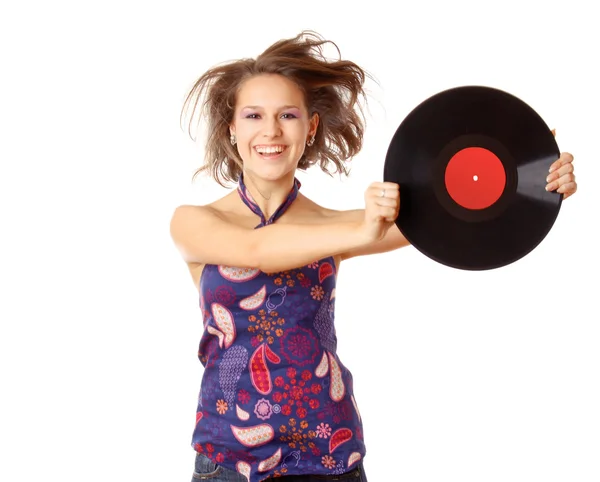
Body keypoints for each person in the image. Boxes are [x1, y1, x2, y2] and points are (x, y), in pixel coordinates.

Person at [169, 31, 577, 482]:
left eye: (288, 115)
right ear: (232, 129)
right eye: (253, 116)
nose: (271, 131)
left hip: (330, 455)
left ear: (311, 127)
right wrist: (361, 228)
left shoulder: (339, 227)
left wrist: (532, 170)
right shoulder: (193, 222)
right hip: (228, 461)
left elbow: (452, 210)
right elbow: (257, 249)